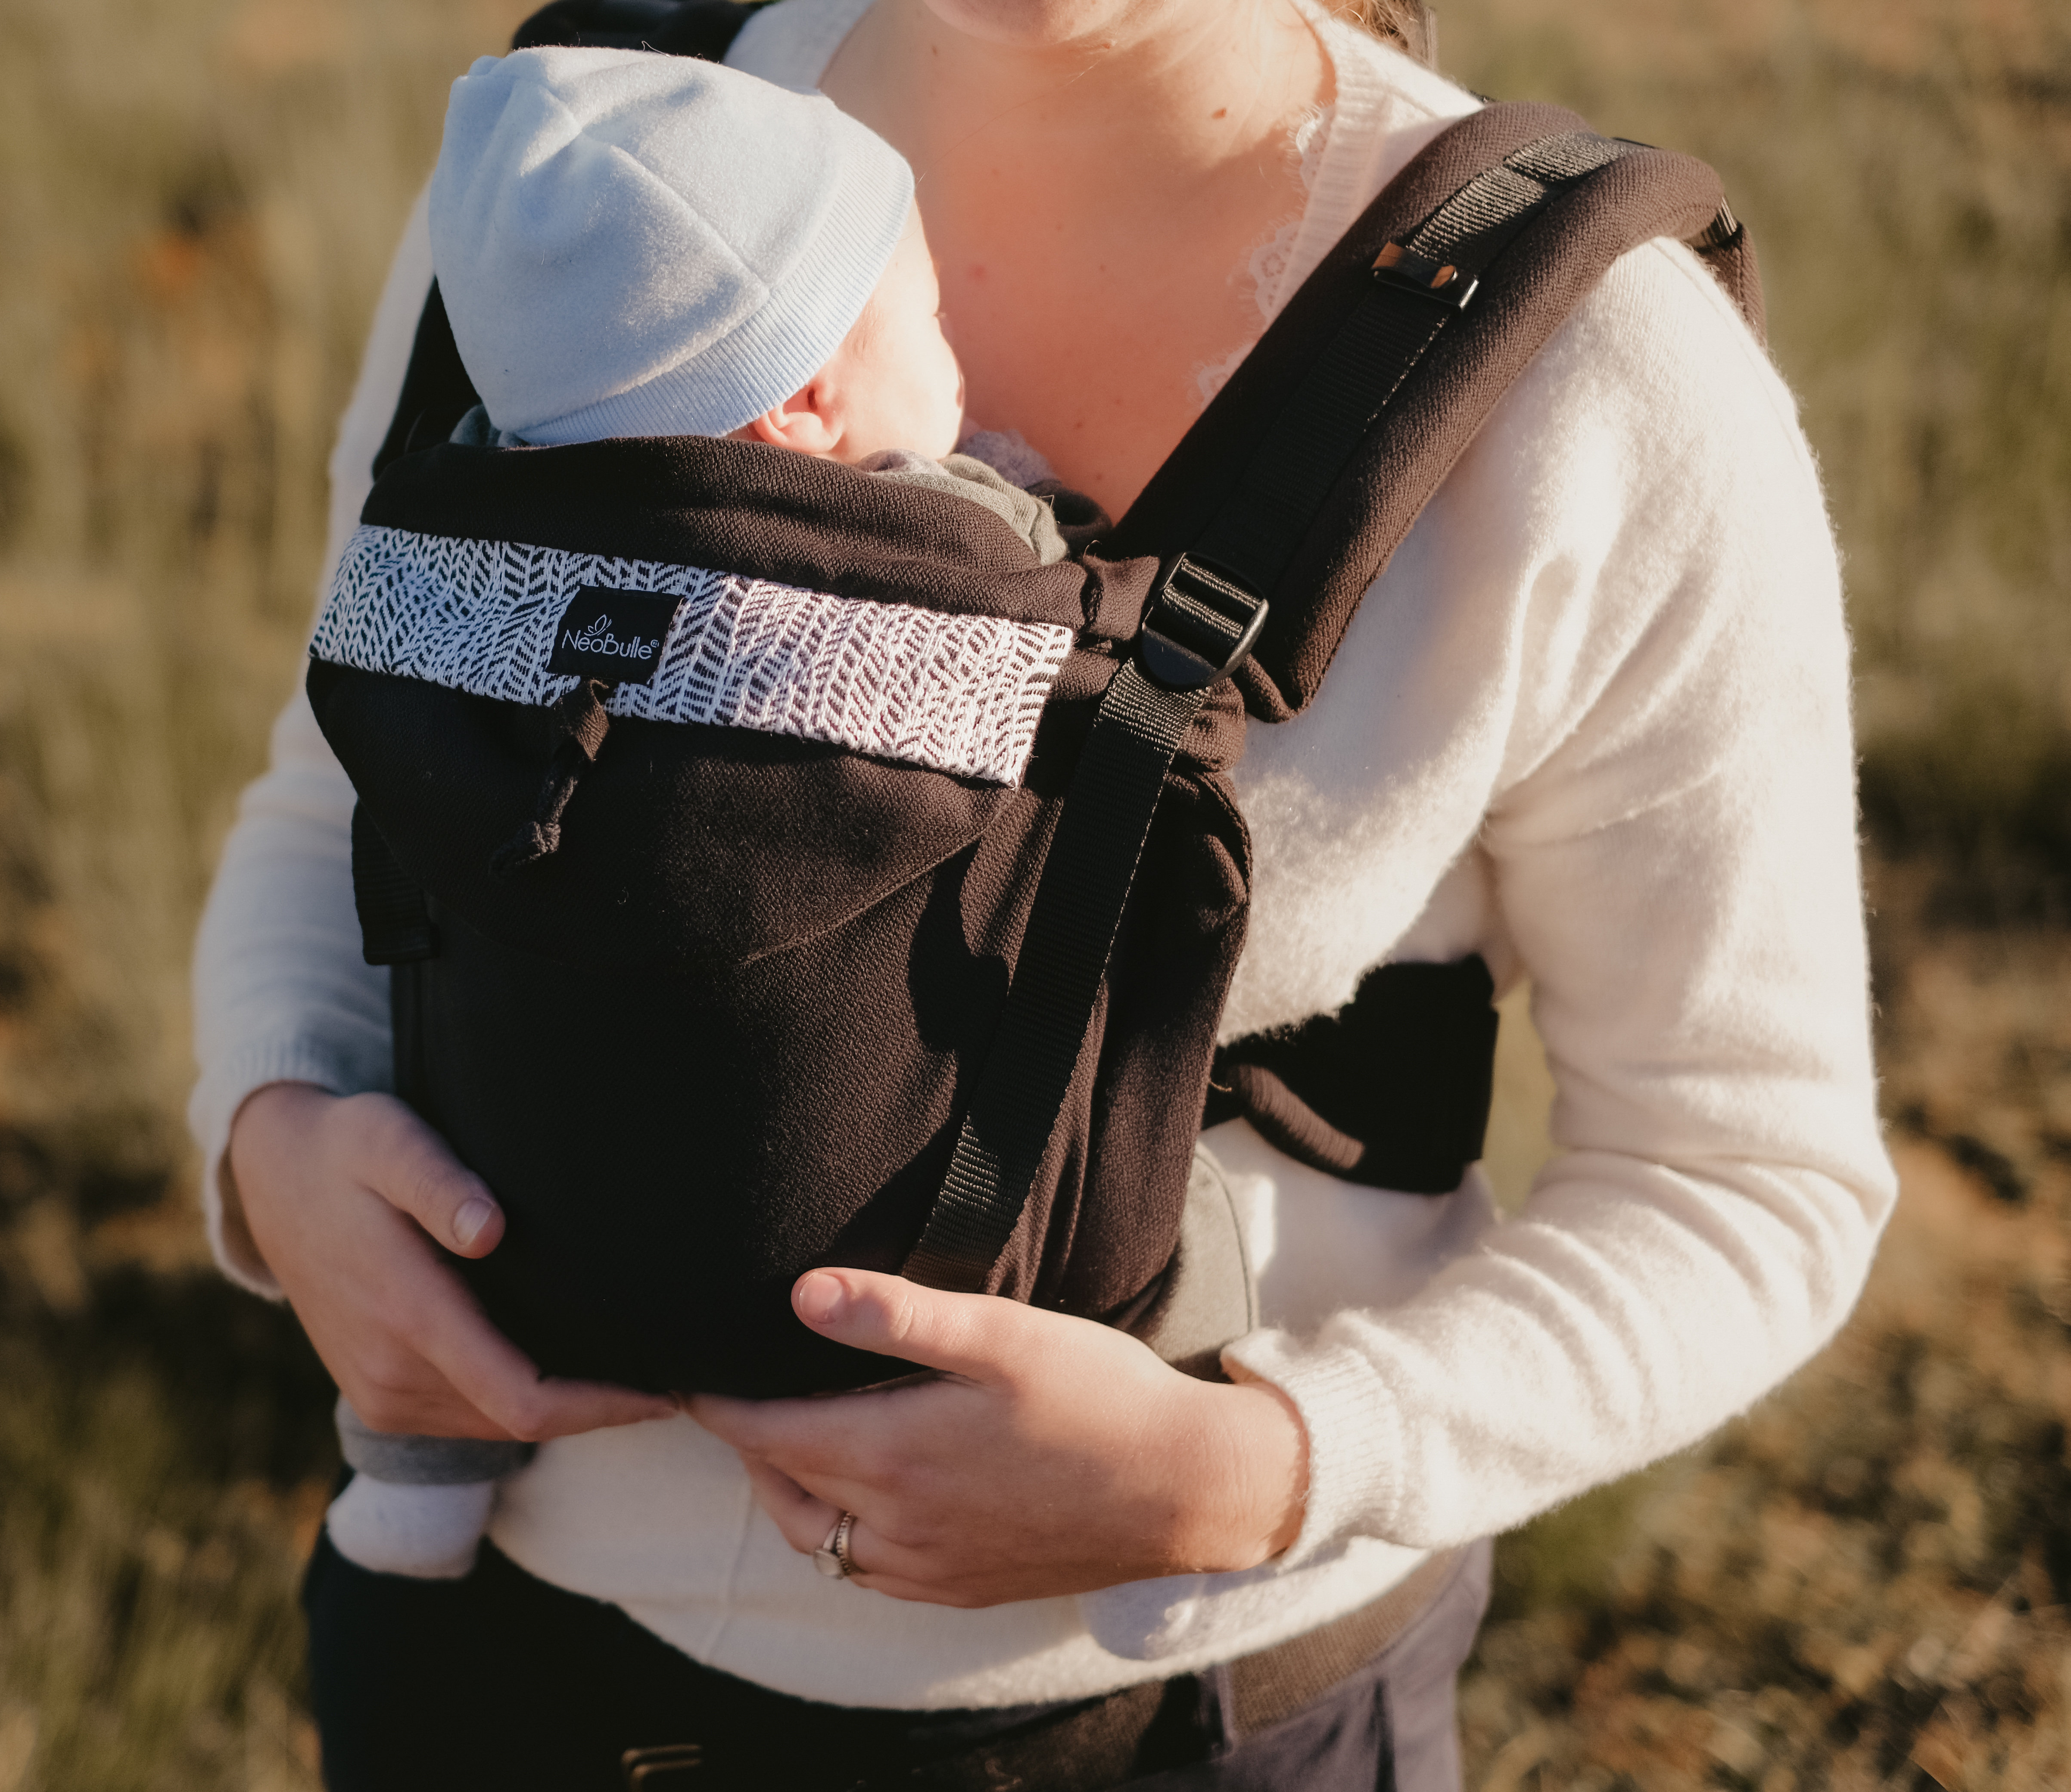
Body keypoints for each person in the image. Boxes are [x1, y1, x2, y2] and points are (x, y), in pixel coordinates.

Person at [188, 0, 1897, 1783]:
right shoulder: (600, 167)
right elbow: (340, 799)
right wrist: (272, 1135)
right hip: (500, 1662)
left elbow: (1745, 1180)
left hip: (1184, 1715)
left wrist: (1264, 1467)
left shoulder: (1596, 363)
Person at [323, 42, 1072, 1583]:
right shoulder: (949, 569)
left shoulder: (463, 539)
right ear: (808, 398)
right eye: (925, 324)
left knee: (476, 1146)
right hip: (878, 1278)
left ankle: (412, 1476)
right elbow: (1047, 577)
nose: (956, 370)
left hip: (511, 1253)